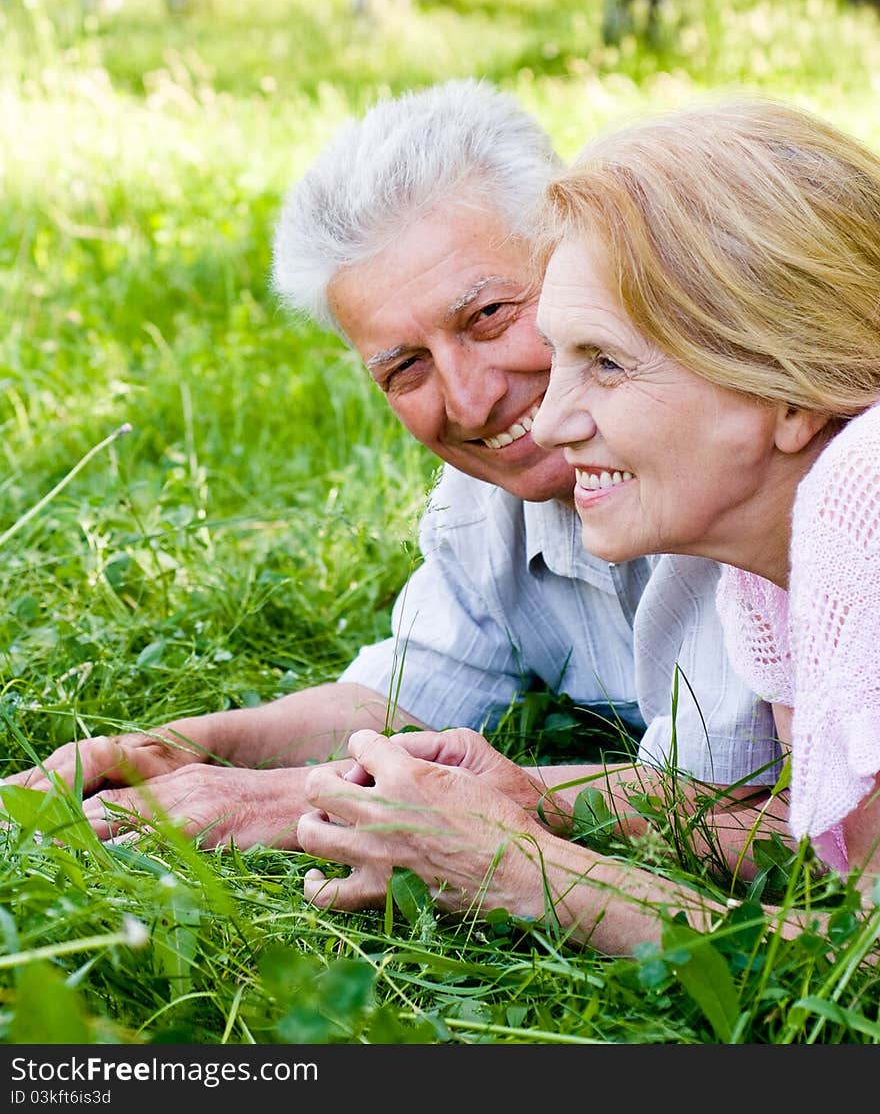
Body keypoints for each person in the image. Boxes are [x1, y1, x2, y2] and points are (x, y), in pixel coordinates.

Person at [1, 82, 778, 865]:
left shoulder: (734, 453)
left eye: (488, 315)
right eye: (405, 367)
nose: (471, 400)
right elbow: (403, 694)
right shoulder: (485, 496)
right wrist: (189, 746)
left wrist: (286, 800)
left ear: (574, 257)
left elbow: (740, 800)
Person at [298, 94, 880, 953]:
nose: (552, 422)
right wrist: (535, 807)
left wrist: (522, 867)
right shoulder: (772, 572)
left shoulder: (853, 507)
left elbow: (853, 977)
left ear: (788, 389)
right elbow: (844, 896)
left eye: (605, 362)